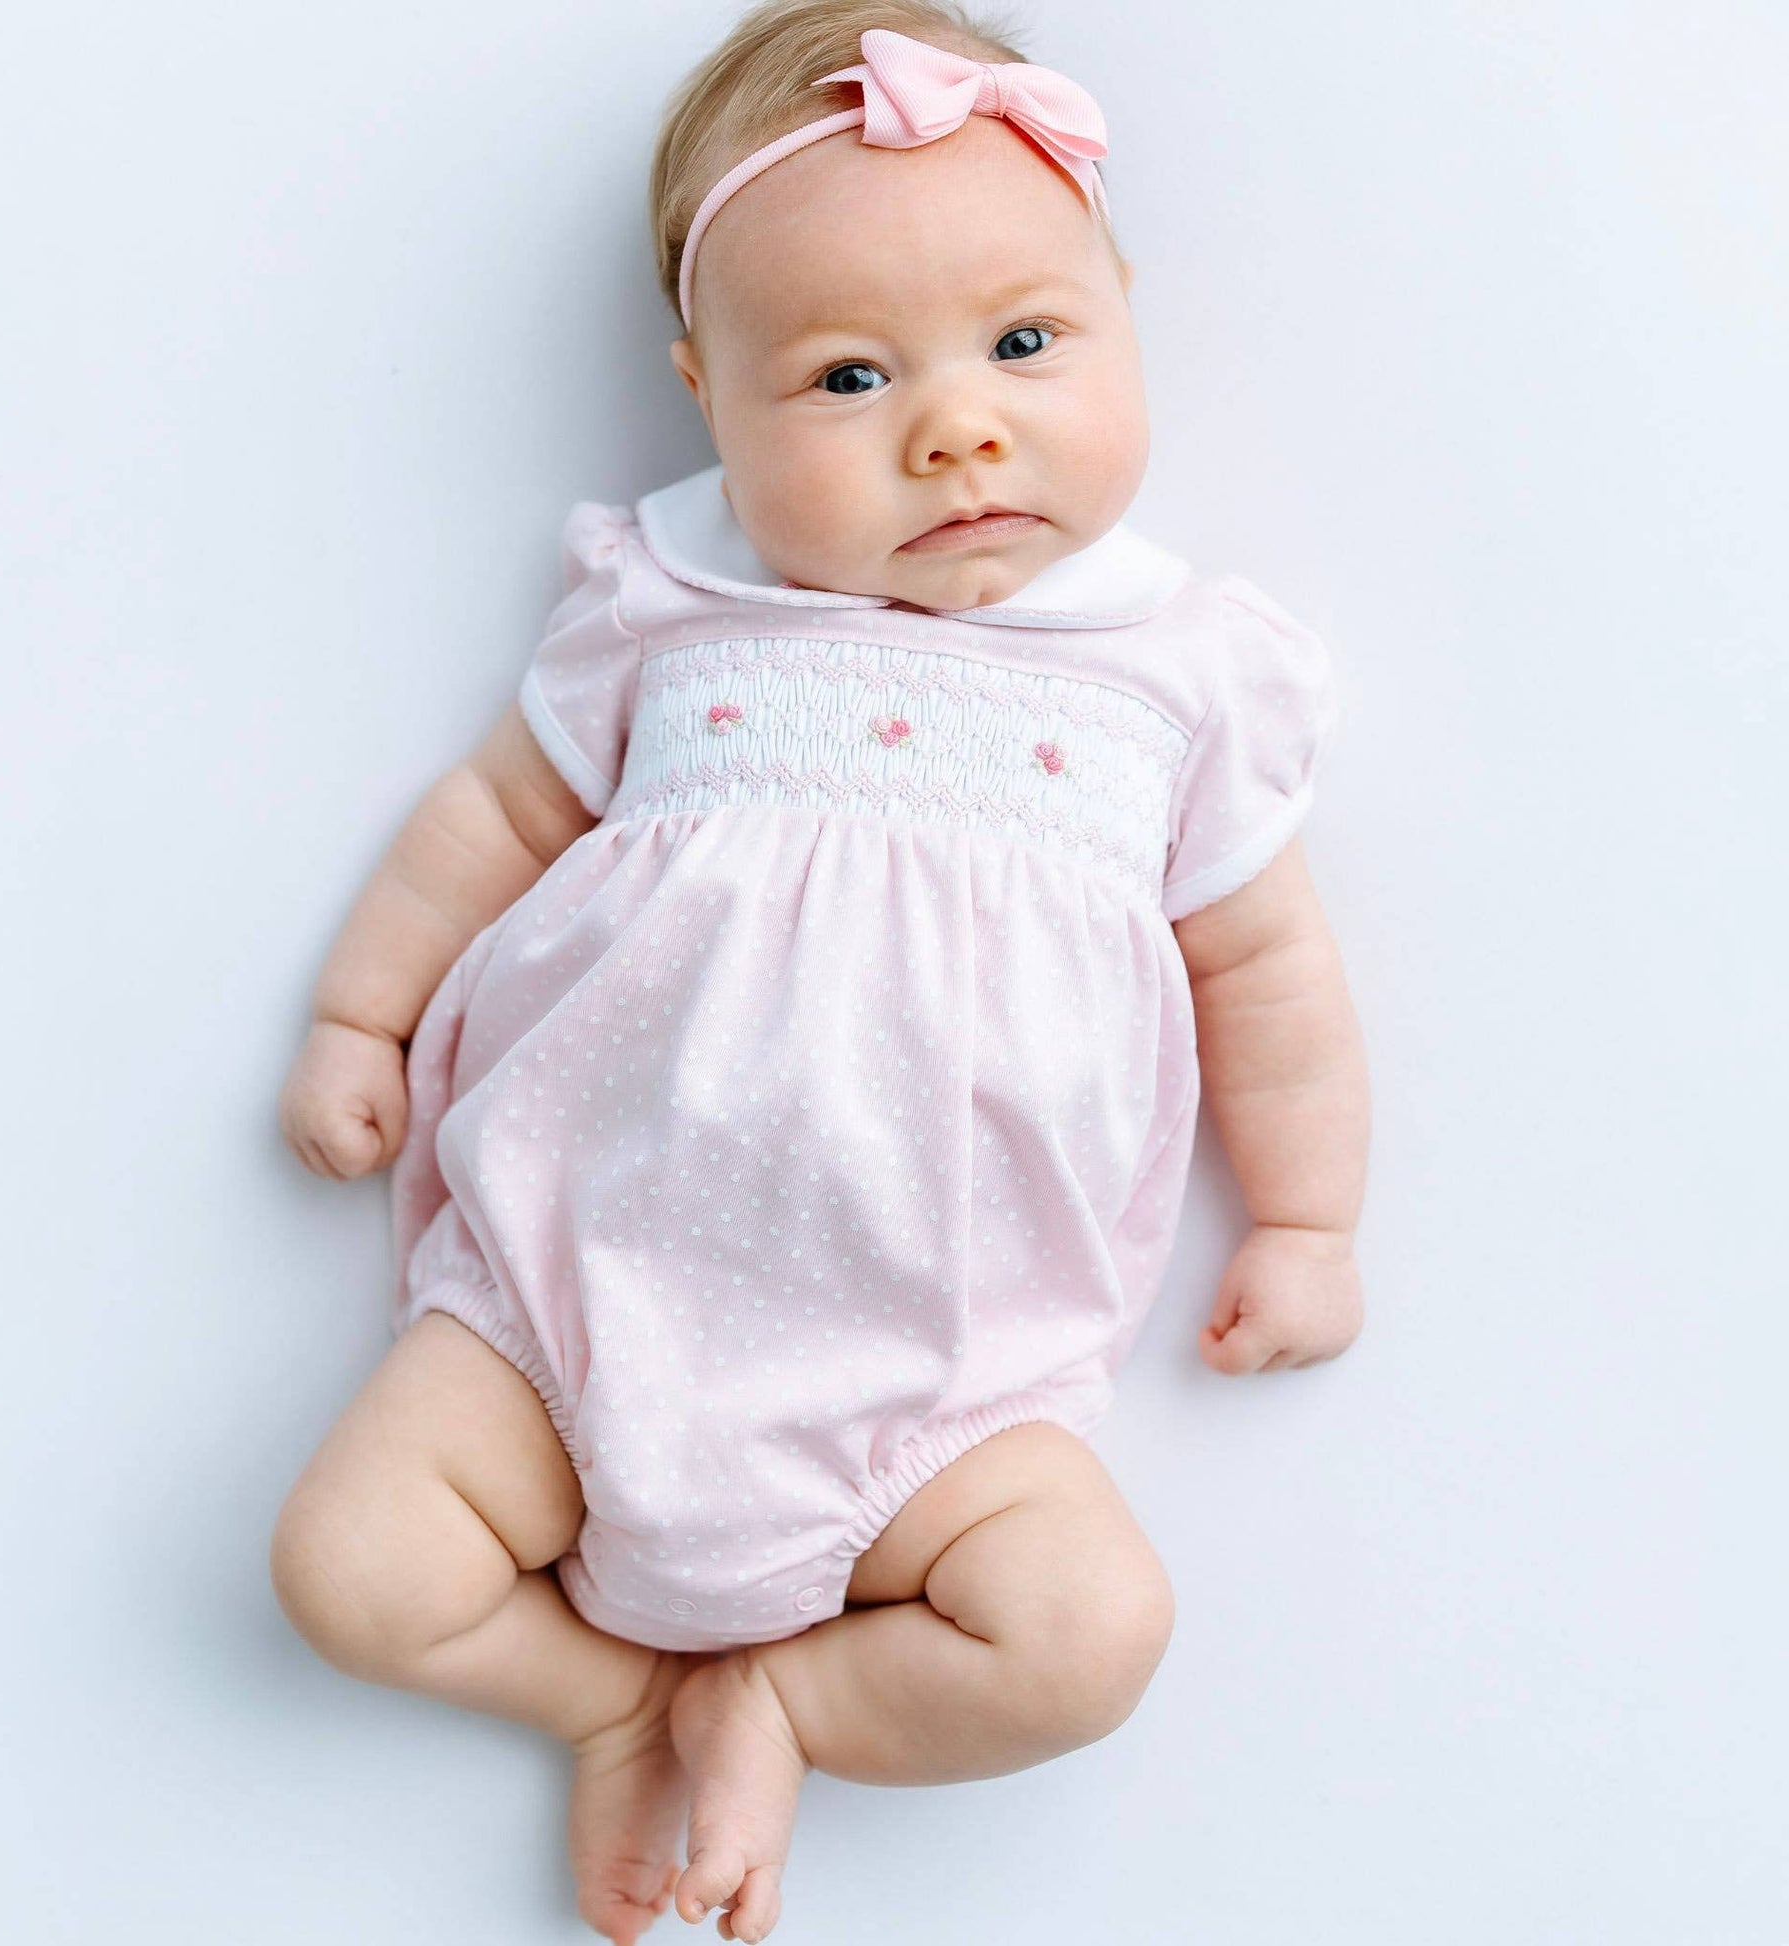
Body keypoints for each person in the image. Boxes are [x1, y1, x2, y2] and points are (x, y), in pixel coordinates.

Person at [270, 6, 1370, 1941]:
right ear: (709, 397)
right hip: (573, 1298)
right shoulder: (674, 611)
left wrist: (1306, 1217)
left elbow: (1265, 970)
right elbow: (490, 818)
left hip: (945, 1377)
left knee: (1086, 1635)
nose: (954, 427)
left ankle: (780, 1699)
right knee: (352, 1567)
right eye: (848, 375)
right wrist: (360, 1014)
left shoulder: (1178, 674)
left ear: (1120, 313)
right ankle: (611, 1699)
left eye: (1024, 343)